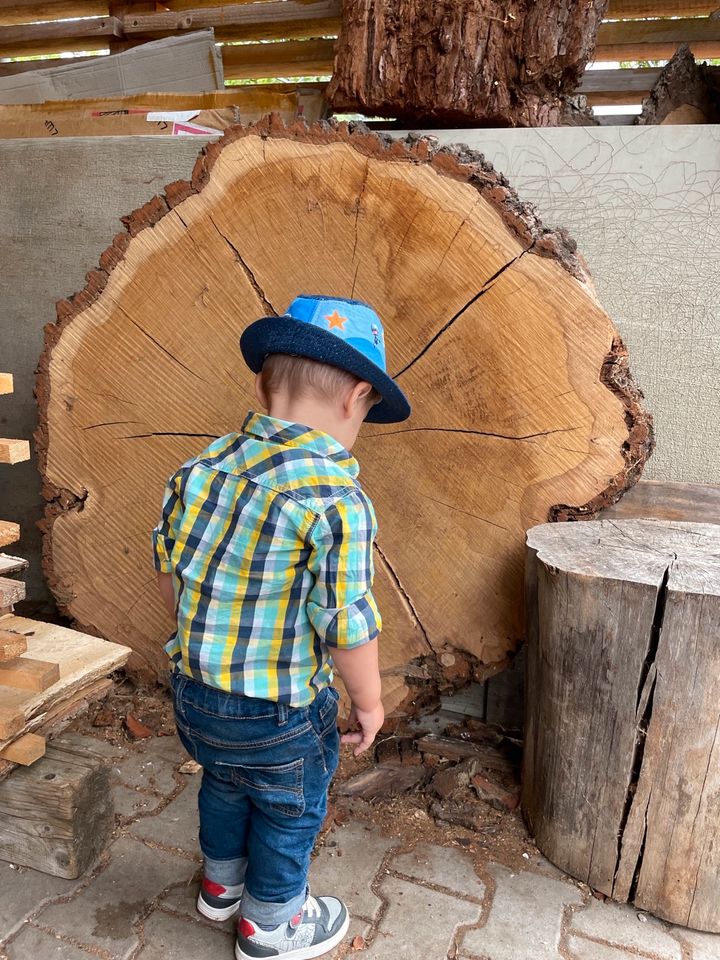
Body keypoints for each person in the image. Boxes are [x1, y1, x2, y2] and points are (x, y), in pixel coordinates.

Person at [152, 295, 411, 960]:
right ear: (356, 398)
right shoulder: (334, 498)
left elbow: (170, 569)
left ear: (265, 381)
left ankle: (221, 887)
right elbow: (346, 623)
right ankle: (271, 924)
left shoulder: (202, 467)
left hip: (195, 692)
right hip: (277, 710)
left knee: (224, 781)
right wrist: (369, 702)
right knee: (289, 807)